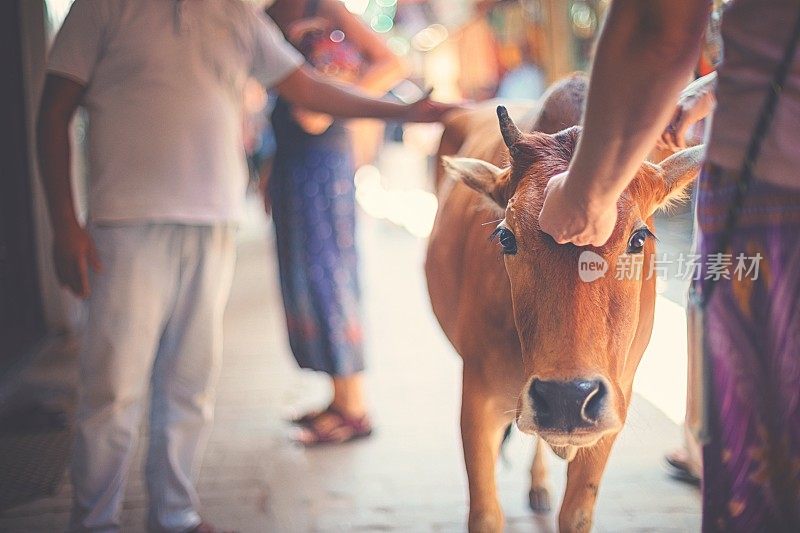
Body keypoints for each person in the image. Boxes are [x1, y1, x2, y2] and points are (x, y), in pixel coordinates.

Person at [36, 1, 454, 531]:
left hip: (213, 221)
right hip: (125, 222)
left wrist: (401, 111)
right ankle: (94, 520)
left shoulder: (232, 15)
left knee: (191, 382)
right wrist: (63, 224)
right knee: (112, 387)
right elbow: (53, 110)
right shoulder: (102, 9)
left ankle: (175, 513)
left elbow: (308, 88)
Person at [537, 0, 800, 531]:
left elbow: (656, 27)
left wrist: (589, 189)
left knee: (764, 453)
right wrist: (715, 85)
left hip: (770, 190)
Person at [263, 0, 406, 446]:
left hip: (322, 160)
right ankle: (340, 398)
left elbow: (392, 63)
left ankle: (354, 407)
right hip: (291, 160)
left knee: (329, 275)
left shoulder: (322, 6)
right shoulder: (268, 14)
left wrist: (337, 103)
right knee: (307, 278)